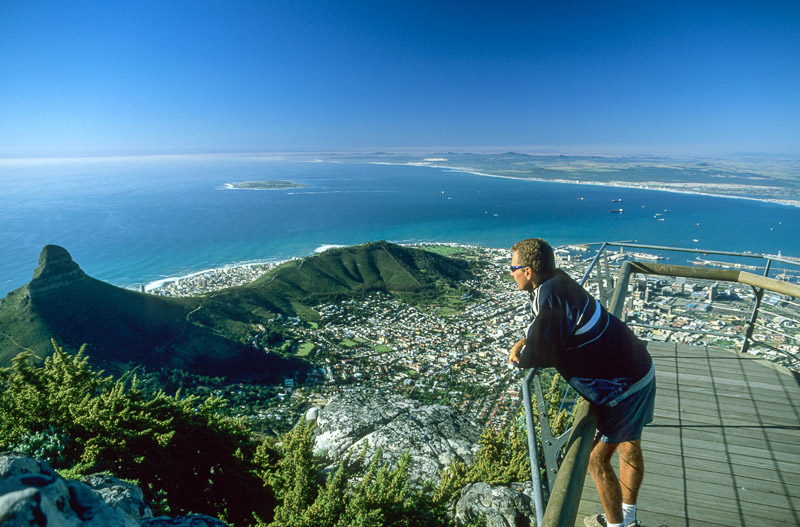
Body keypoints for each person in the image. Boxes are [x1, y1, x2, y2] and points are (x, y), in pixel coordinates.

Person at [507, 238, 656, 527]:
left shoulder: (548, 295)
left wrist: (519, 355)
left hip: (626, 385)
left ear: (528, 271)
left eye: (512, 268)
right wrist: (527, 339)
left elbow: (542, 350)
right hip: (637, 367)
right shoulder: (558, 281)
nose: (510, 273)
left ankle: (617, 526)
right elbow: (552, 327)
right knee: (628, 447)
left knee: (595, 461)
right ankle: (628, 519)